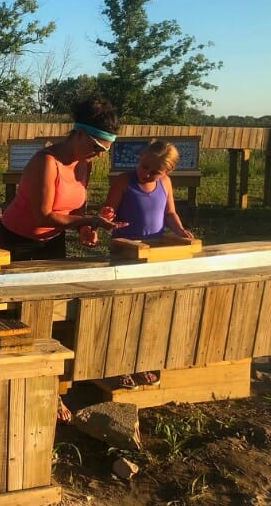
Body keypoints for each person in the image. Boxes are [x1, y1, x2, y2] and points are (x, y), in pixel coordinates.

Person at [101, 139, 195, 389]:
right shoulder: (124, 181)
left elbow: (169, 213)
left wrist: (180, 230)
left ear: (168, 172)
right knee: (123, 312)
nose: (147, 173)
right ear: (140, 158)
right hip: (125, 255)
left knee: (151, 312)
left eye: (155, 171)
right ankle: (117, 365)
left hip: (154, 257)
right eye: (144, 166)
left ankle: (143, 361)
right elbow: (109, 208)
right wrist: (105, 217)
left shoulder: (165, 184)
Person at [0, 93, 127, 261]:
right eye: (97, 148)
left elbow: (78, 208)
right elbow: (43, 217)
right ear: (80, 133)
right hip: (18, 240)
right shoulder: (47, 162)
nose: (99, 155)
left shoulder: (84, 163)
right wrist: (90, 220)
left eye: (105, 151)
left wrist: (84, 228)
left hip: (54, 239)